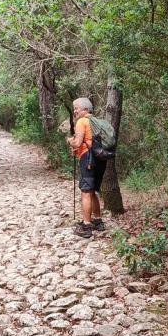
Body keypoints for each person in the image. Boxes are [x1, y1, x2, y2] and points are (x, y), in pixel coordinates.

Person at [67, 97, 106, 238]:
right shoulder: (98, 122)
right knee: (92, 190)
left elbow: (77, 143)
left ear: (85, 109)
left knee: (86, 191)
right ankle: (98, 221)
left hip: (88, 159)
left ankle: (86, 225)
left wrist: (70, 141)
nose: (75, 111)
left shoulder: (82, 121)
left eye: (76, 108)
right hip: (100, 159)